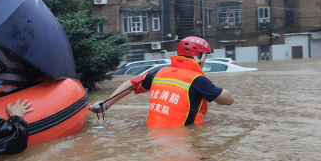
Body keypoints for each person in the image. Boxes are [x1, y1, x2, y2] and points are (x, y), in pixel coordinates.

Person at [90, 36, 234, 127]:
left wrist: (105, 105)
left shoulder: (158, 73)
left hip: (153, 133)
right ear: (199, 57)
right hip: (183, 138)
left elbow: (130, 84)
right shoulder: (198, 80)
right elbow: (227, 100)